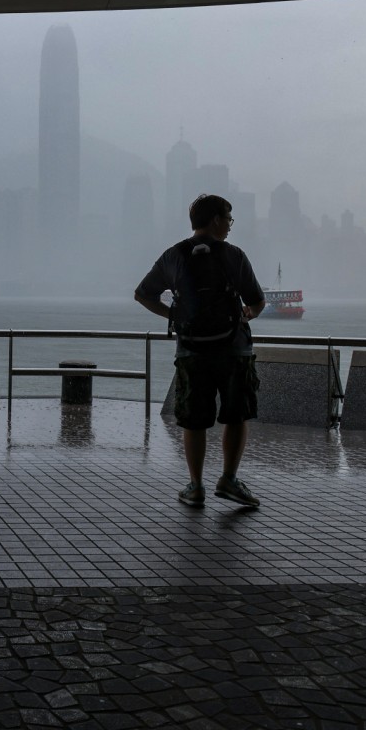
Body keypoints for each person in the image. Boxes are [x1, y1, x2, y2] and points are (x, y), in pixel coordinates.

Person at [134, 194, 265, 508]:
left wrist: (174, 316)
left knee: (194, 421)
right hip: (234, 350)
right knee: (236, 416)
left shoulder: (173, 255)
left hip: (192, 351)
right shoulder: (234, 255)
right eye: (229, 219)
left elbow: (143, 294)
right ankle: (229, 480)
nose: (230, 226)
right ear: (216, 220)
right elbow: (257, 301)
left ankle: (195, 486)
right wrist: (247, 313)